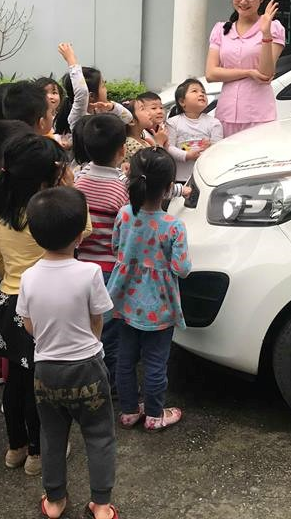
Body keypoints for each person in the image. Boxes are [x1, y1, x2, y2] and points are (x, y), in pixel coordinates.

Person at [0, 134, 86, 476]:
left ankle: (16, 448)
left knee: (16, 380)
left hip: (10, 303)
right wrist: (70, 189)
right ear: (47, 180)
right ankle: (38, 453)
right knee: (41, 384)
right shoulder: (57, 212)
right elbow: (83, 230)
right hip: (48, 305)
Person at [18, 187, 118, 519]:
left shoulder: (28, 277)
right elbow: (97, 319)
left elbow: (28, 324)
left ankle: (55, 500)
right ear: (79, 236)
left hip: (46, 369)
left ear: (34, 235)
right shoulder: (90, 273)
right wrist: (89, 343)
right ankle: (101, 504)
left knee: (51, 435)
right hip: (87, 367)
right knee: (99, 435)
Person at [108, 148, 191, 431]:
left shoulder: (124, 215)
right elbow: (182, 268)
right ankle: (155, 415)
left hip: (124, 300)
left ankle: (129, 411)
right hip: (159, 305)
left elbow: (115, 248)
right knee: (156, 363)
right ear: (169, 188)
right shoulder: (173, 225)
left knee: (125, 360)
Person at [0, 119, 35, 387]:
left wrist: (10, 271)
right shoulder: (37, 209)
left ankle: (0, 373)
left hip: (5, 285)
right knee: (28, 350)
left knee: (11, 346)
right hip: (26, 290)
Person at [73, 114, 129, 387]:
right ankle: (110, 382)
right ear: (122, 150)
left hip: (81, 263)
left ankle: (86, 375)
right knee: (109, 330)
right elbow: (125, 233)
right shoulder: (121, 189)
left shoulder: (78, 182)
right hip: (109, 270)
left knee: (85, 326)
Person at [205, 0, 285, 137]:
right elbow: (211, 74)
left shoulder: (274, 28)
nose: (243, 1)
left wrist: (266, 34)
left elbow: (266, 74)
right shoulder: (221, 30)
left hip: (259, 116)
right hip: (226, 114)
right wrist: (248, 72)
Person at [54, 43, 132, 141]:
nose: (106, 89)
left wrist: (112, 107)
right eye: (103, 85)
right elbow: (82, 92)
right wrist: (71, 59)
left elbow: (128, 118)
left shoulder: (101, 111)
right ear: (91, 96)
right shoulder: (78, 115)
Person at [165, 79, 224, 182]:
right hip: (180, 178)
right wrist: (187, 155)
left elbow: (218, 150)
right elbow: (168, 147)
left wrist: (210, 147)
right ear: (182, 102)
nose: (201, 94)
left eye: (203, 92)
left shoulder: (214, 123)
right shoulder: (173, 122)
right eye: (194, 91)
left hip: (205, 178)